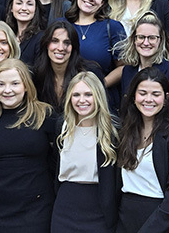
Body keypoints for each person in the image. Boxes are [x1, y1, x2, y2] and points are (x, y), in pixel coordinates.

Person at [0, 58, 57, 233]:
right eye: (1, 84)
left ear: (26, 86)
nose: (7, 90)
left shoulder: (44, 115)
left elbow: (59, 157)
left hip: (36, 206)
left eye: (15, 83)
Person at [116, 67, 169, 232]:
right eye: (143, 93)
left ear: (166, 98)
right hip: (126, 216)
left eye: (155, 94)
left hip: (162, 219)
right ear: (133, 97)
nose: (148, 99)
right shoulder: (125, 131)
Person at [52, 72, 119, 233]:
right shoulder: (62, 126)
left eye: (88, 94)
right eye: (76, 95)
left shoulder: (113, 131)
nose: (82, 100)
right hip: (65, 207)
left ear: (98, 96)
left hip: (99, 207)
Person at [111, 12, 169, 104]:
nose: (146, 43)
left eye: (152, 38)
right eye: (141, 37)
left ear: (161, 40)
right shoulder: (128, 71)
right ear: (134, 40)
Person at [62, 0, 126, 75]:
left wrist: (100, 85)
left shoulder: (113, 27)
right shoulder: (61, 25)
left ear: (102, 3)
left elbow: (123, 66)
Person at [33, 21, 103, 110]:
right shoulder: (37, 74)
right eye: (55, 41)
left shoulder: (90, 71)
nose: (60, 48)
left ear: (73, 47)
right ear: (46, 44)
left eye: (67, 42)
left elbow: (103, 109)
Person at [5, 0, 44, 66]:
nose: (24, 8)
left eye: (29, 4)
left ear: (35, 9)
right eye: (19, 3)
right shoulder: (5, 35)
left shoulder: (41, 38)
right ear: (11, 8)